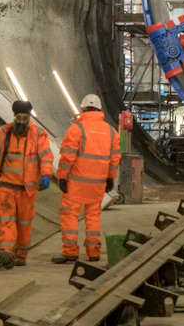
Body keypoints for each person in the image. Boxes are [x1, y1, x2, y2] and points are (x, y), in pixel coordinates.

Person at [0, 100, 52, 268]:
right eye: (19, 118)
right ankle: (6, 250)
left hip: (26, 189)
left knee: (24, 222)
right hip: (5, 187)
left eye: (25, 118)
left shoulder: (38, 135)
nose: (22, 121)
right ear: (14, 117)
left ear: (29, 118)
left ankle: (20, 254)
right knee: (6, 219)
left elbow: (46, 157)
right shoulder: (2, 133)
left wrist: (46, 174)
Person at [53, 94, 121, 263]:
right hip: (97, 183)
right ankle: (93, 252)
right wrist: (110, 178)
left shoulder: (77, 129)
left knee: (69, 215)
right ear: (100, 109)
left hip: (77, 182)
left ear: (83, 109)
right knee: (93, 216)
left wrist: (62, 177)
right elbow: (114, 159)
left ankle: (70, 251)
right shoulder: (111, 132)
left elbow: (68, 157)